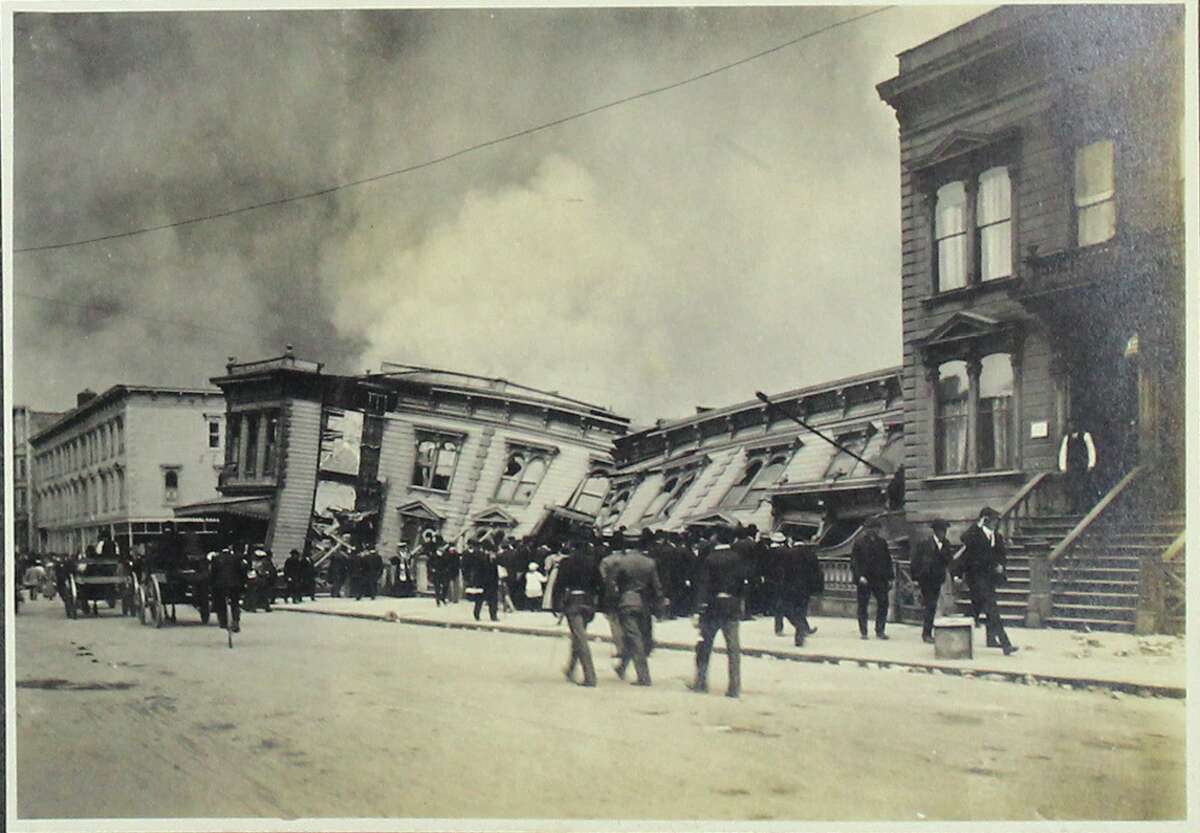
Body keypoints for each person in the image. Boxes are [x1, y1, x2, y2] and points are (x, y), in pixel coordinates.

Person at [691, 526, 750, 698]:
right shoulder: (738, 558)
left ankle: (701, 682)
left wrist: (699, 608)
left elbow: (704, 585)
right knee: (733, 648)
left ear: (716, 538)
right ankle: (734, 686)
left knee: (705, 645)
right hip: (731, 605)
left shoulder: (710, 559)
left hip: (712, 606)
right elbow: (743, 583)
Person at [958, 507, 1018, 655]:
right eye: (992, 520)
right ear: (985, 520)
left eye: (997, 520)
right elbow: (964, 539)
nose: (995, 523)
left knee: (977, 609)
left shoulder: (996, 537)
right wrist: (977, 525)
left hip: (990, 578)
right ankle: (1006, 644)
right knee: (992, 609)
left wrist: (1000, 565)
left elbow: (1002, 555)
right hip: (976, 578)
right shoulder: (975, 535)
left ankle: (988, 639)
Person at [605, 539, 663, 686]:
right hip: (644, 604)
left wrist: (611, 604)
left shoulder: (620, 562)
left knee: (634, 639)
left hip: (626, 602)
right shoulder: (650, 563)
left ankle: (643, 676)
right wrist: (659, 606)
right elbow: (657, 587)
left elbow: (612, 585)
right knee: (635, 637)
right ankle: (622, 667)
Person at [553, 540, 602, 687]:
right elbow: (599, 584)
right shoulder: (592, 563)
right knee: (578, 635)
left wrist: (556, 604)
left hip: (573, 601)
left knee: (580, 638)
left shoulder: (566, 563)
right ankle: (570, 668)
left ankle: (590, 676)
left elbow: (559, 584)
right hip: (588, 601)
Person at [910, 519, 952, 643]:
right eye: (941, 531)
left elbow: (948, 560)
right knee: (930, 605)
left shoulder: (946, 544)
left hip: (937, 579)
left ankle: (927, 632)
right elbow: (916, 561)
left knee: (931, 606)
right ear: (935, 531)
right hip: (926, 579)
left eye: (944, 531)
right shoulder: (925, 544)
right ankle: (926, 633)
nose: (943, 533)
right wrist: (916, 578)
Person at [850, 517, 893, 640]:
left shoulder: (882, 543)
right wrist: (860, 576)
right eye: (871, 528)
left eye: (876, 528)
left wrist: (890, 577)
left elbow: (887, 560)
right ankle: (864, 631)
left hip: (880, 579)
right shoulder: (859, 543)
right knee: (863, 605)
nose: (874, 531)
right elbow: (854, 562)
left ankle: (880, 630)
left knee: (883, 603)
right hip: (865, 579)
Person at [779, 538, 822, 646]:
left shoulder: (788, 554)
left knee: (788, 610)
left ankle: (800, 627)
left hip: (790, 587)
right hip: (805, 588)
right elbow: (817, 573)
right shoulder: (810, 554)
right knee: (801, 610)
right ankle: (799, 636)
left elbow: (783, 572)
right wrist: (816, 589)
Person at [1059, 419, 1098, 514]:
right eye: (1069, 425)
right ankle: (1074, 508)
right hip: (1072, 466)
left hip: (1082, 466)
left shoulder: (1085, 436)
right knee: (1072, 488)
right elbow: (1063, 452)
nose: (1070, 427)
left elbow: (1091, 449)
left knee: (1084, 487)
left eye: (1072, 424)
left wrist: (1091, 464)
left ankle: (1084, 508)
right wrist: (1063, 466)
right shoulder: (1067, 438)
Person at [208, 546, 248, 632]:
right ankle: (236, 621)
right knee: (235, 603)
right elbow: (241, 572)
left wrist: (211, 585)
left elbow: (212, 574)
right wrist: (243, 584)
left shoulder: (216, 558)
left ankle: (223, 622)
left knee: (220, 603)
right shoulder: (236, 558)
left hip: (220, 585)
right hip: (234, 585)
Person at [472, 547, 500, 622]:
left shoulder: (495, 561)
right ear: (490, 552)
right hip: (483, 584)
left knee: (493, 601)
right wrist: (477, 583)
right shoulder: (482, 560)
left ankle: (493, 616)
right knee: (479, 600)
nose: (495, 555)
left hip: (492, 584)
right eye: (493, 553)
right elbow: (478, 572)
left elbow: (496, 573)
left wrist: (497, 582)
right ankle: (476, 614)